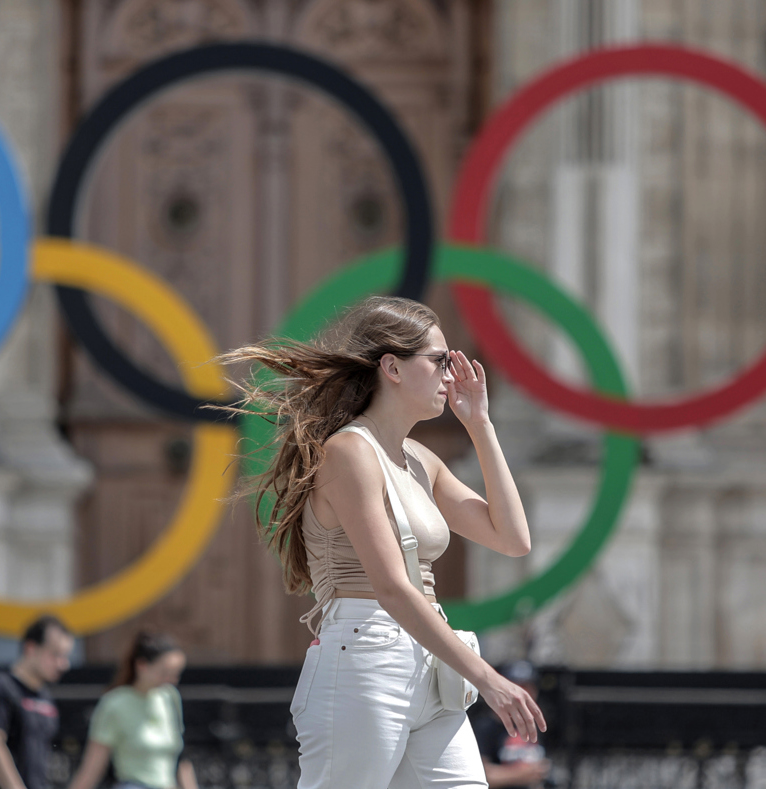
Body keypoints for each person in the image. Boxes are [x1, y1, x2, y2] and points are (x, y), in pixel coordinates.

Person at [219, 296, 546, 789]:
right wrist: (487, 677)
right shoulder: (349, 452)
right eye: (439, 360)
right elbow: (391, 588)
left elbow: (514, 539)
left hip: (431, 661)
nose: (451, 374)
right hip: (365, 657)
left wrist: (480, 425)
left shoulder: (420, 459)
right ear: (392, 367)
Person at [66, 630, 198, 789]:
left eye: (175, 674)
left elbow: (181, 761)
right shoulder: (114, 703)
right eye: (164, 673)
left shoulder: (170, 698)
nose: (171, 680)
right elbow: (92, 767)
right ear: (142, 666)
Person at [0, 615, 76, 789]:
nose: (63, 664)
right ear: (31, 648)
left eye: (65, 656)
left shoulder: (45, 697)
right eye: (55, 654)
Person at [472, 661, 552, 788]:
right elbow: (481, 776)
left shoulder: (539, 723)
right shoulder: (486, 727)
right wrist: (522, 775)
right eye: (516, 686)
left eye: (528, 687)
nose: (522, 693)